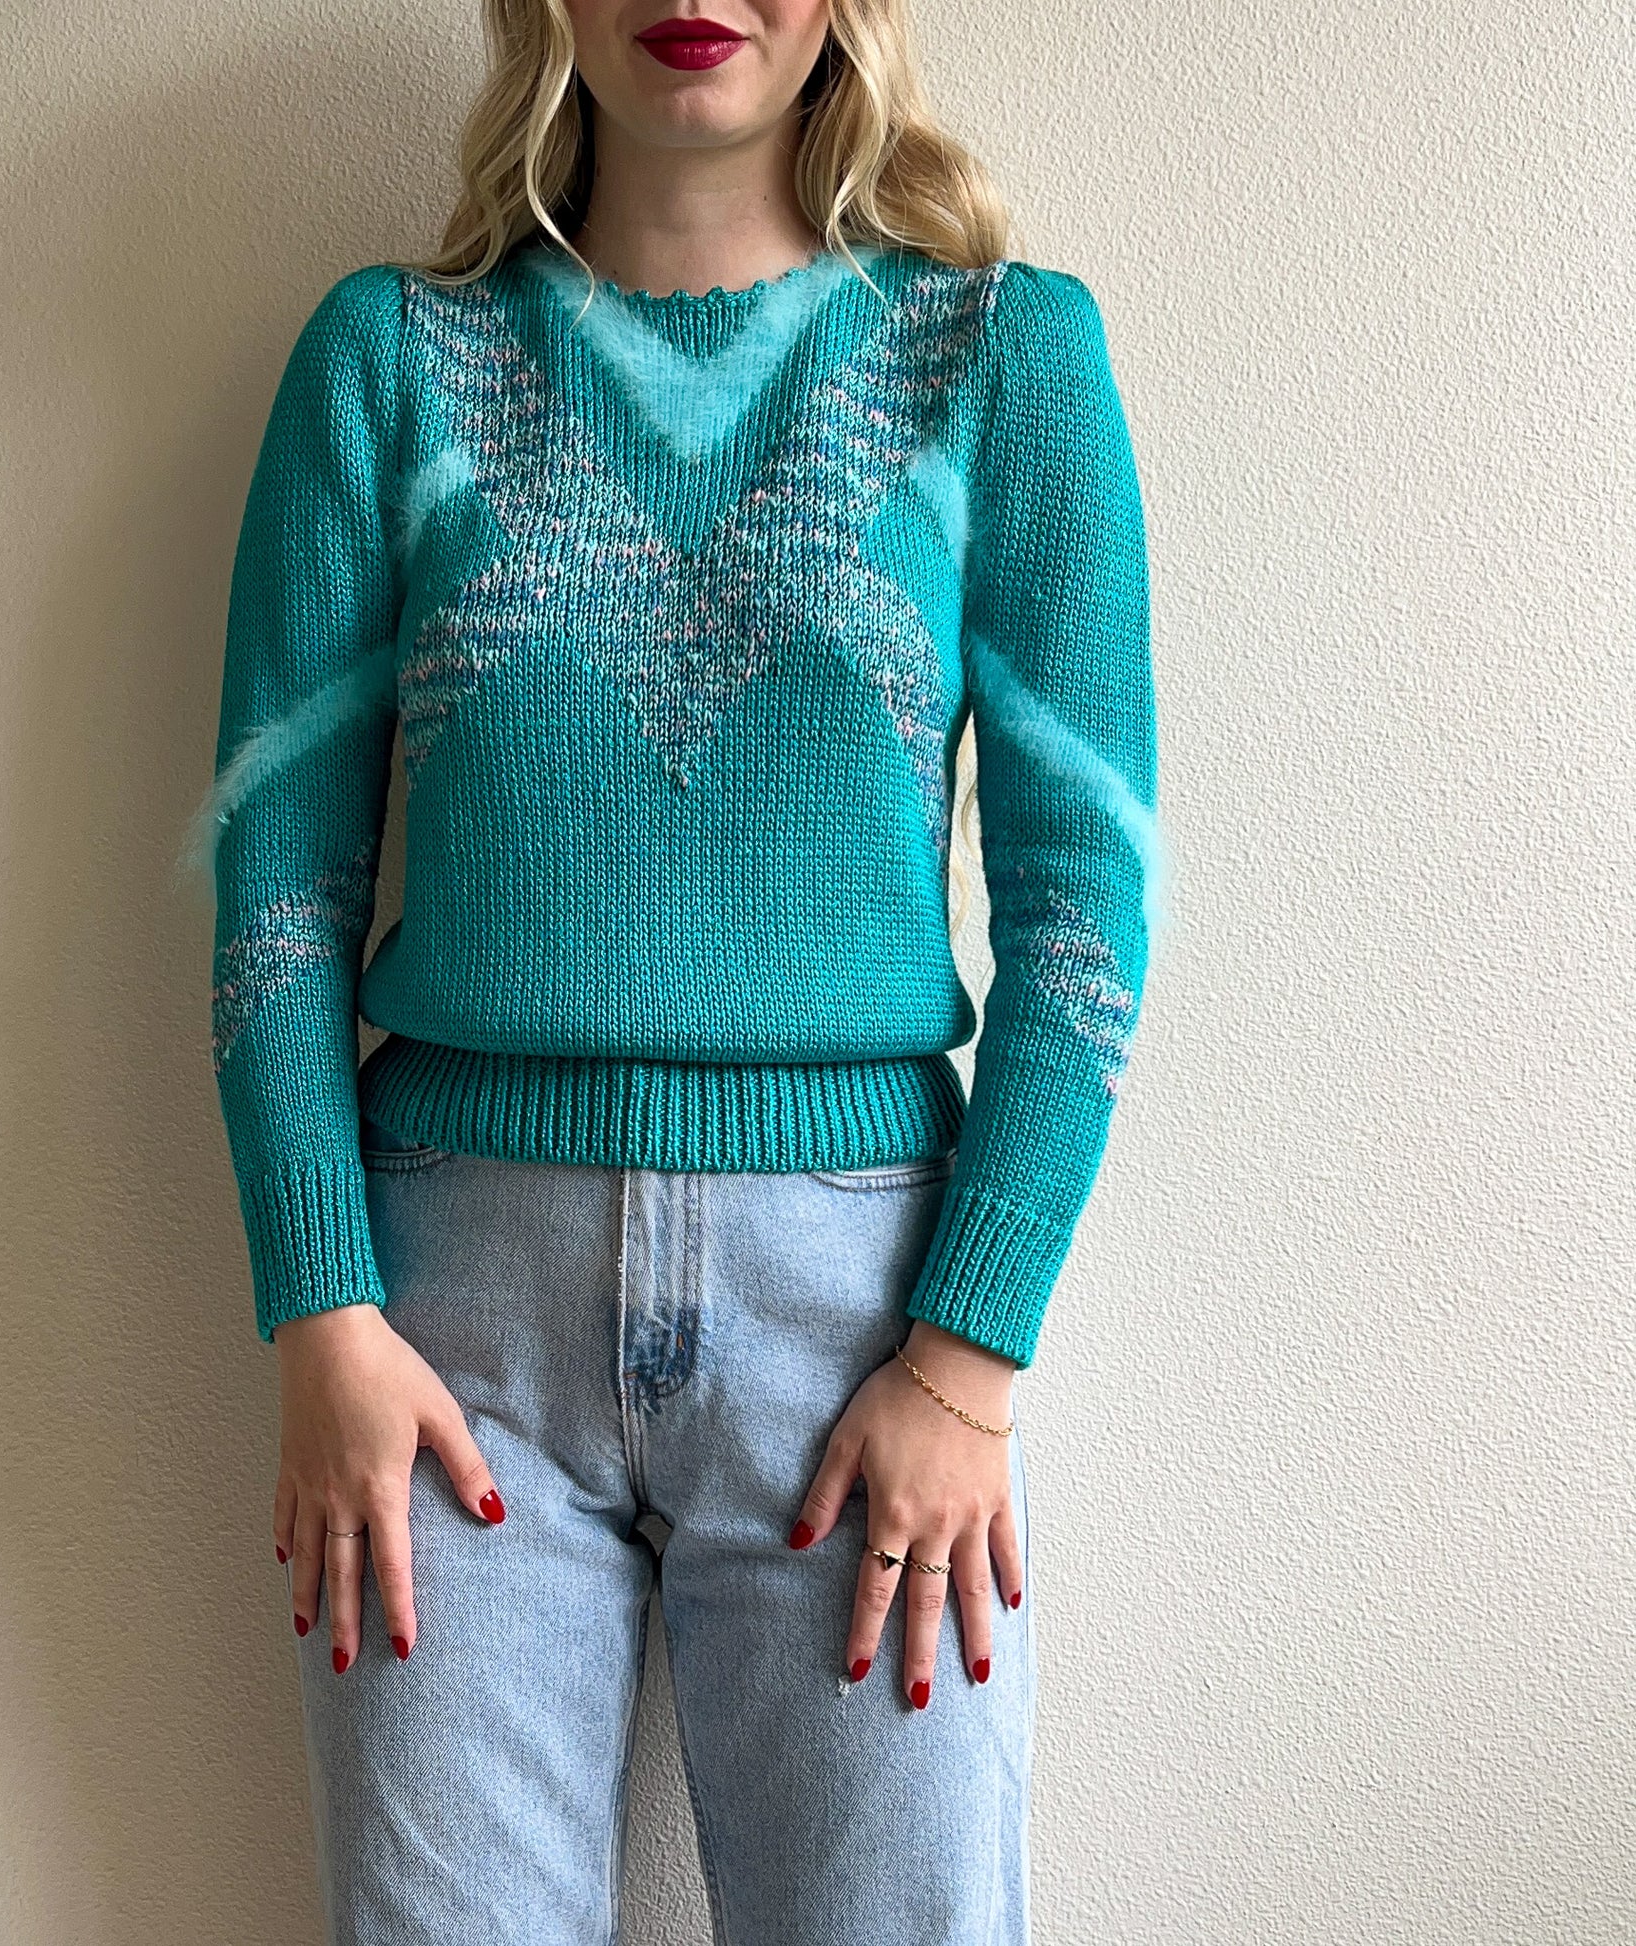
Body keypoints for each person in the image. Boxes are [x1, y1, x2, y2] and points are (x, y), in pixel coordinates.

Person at [190, 2, 1161, 1939]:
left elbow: (1084, 903)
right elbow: (277, 882)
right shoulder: (390, 358)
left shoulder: (999, 357)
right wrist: (320, 1308)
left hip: (866, 1327)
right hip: (448, 1338)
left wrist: (968, 1357)